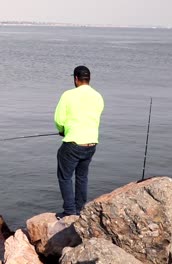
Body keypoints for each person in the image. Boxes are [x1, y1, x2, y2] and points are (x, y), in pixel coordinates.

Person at [54, 66, 104, 217]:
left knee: (65, 177)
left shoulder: (68, 95)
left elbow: (59, 119)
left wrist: (62, 130)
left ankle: (69, 212)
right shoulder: (98, 96)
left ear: (76, 78)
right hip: (91, 143)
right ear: (89, 79)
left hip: (73, 143)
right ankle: (81, 209)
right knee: (82, 177)